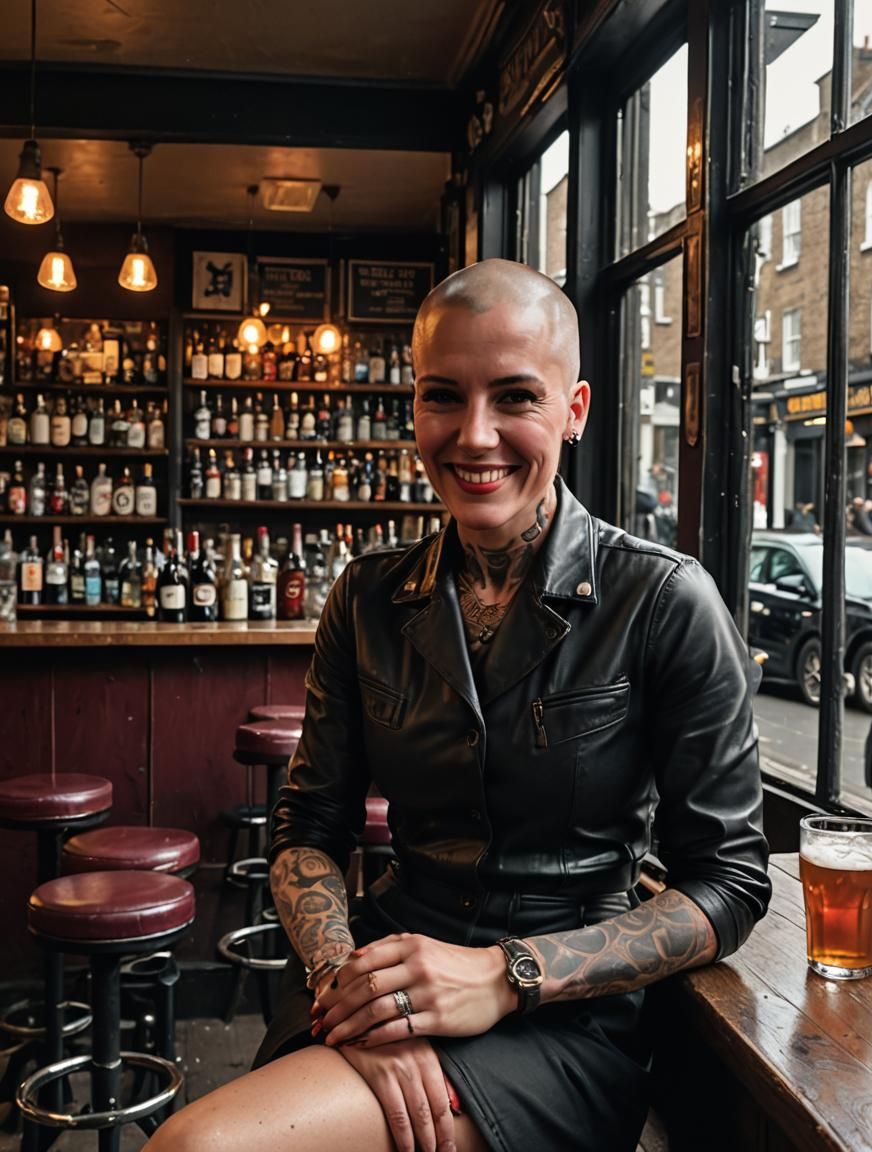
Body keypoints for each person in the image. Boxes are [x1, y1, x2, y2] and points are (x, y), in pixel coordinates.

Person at [148, 259, 770, 1152]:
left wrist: (505, 974)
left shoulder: (665, 600)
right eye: (443, 396)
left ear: (575, 409)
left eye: (515, 397)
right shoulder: (366, 597)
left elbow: (730, 885)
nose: (475, 436)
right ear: (414, 407)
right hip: (373, 967)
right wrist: (356, 989)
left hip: (560, 1020)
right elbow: (307, 829)